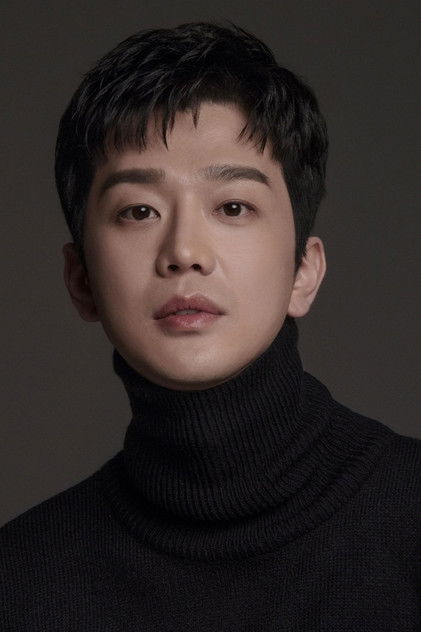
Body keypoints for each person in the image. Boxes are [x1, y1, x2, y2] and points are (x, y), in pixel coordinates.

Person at [1, 21, 419, 631]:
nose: (185, 252)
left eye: (233, 207)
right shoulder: (21, 581)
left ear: (304, 270)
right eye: (138, 211)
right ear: (81, 278)